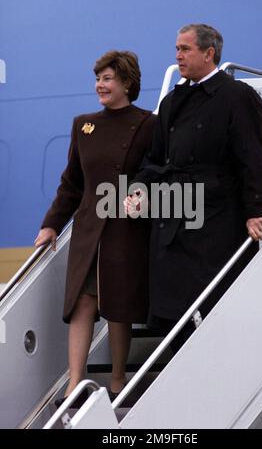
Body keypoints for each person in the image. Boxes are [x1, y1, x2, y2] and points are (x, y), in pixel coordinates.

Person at [124, 24, 262, 345]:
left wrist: (255, 211)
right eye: (177, 48)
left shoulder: (237, 96)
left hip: (217, 223)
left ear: (209, 53)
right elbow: (155, 159)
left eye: (185, 49)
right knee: (173, 316)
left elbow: (254, 158)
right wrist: (138, 188)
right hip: (174, 218)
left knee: (211, 310)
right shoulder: (172, 102)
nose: (178, 55)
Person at [35, 50, 156, 403]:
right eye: (98, 78)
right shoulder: (83, 124)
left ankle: (118, 378)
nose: (99, 85)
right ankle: (76, 382)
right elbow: (72, 183)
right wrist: (51, 224)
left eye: (107, 78)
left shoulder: (149, 124)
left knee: (118, 306)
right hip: (89, 229)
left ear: (127, 83)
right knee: (82, 303)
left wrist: (141, 195)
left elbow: (155, 172)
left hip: (126, 228)